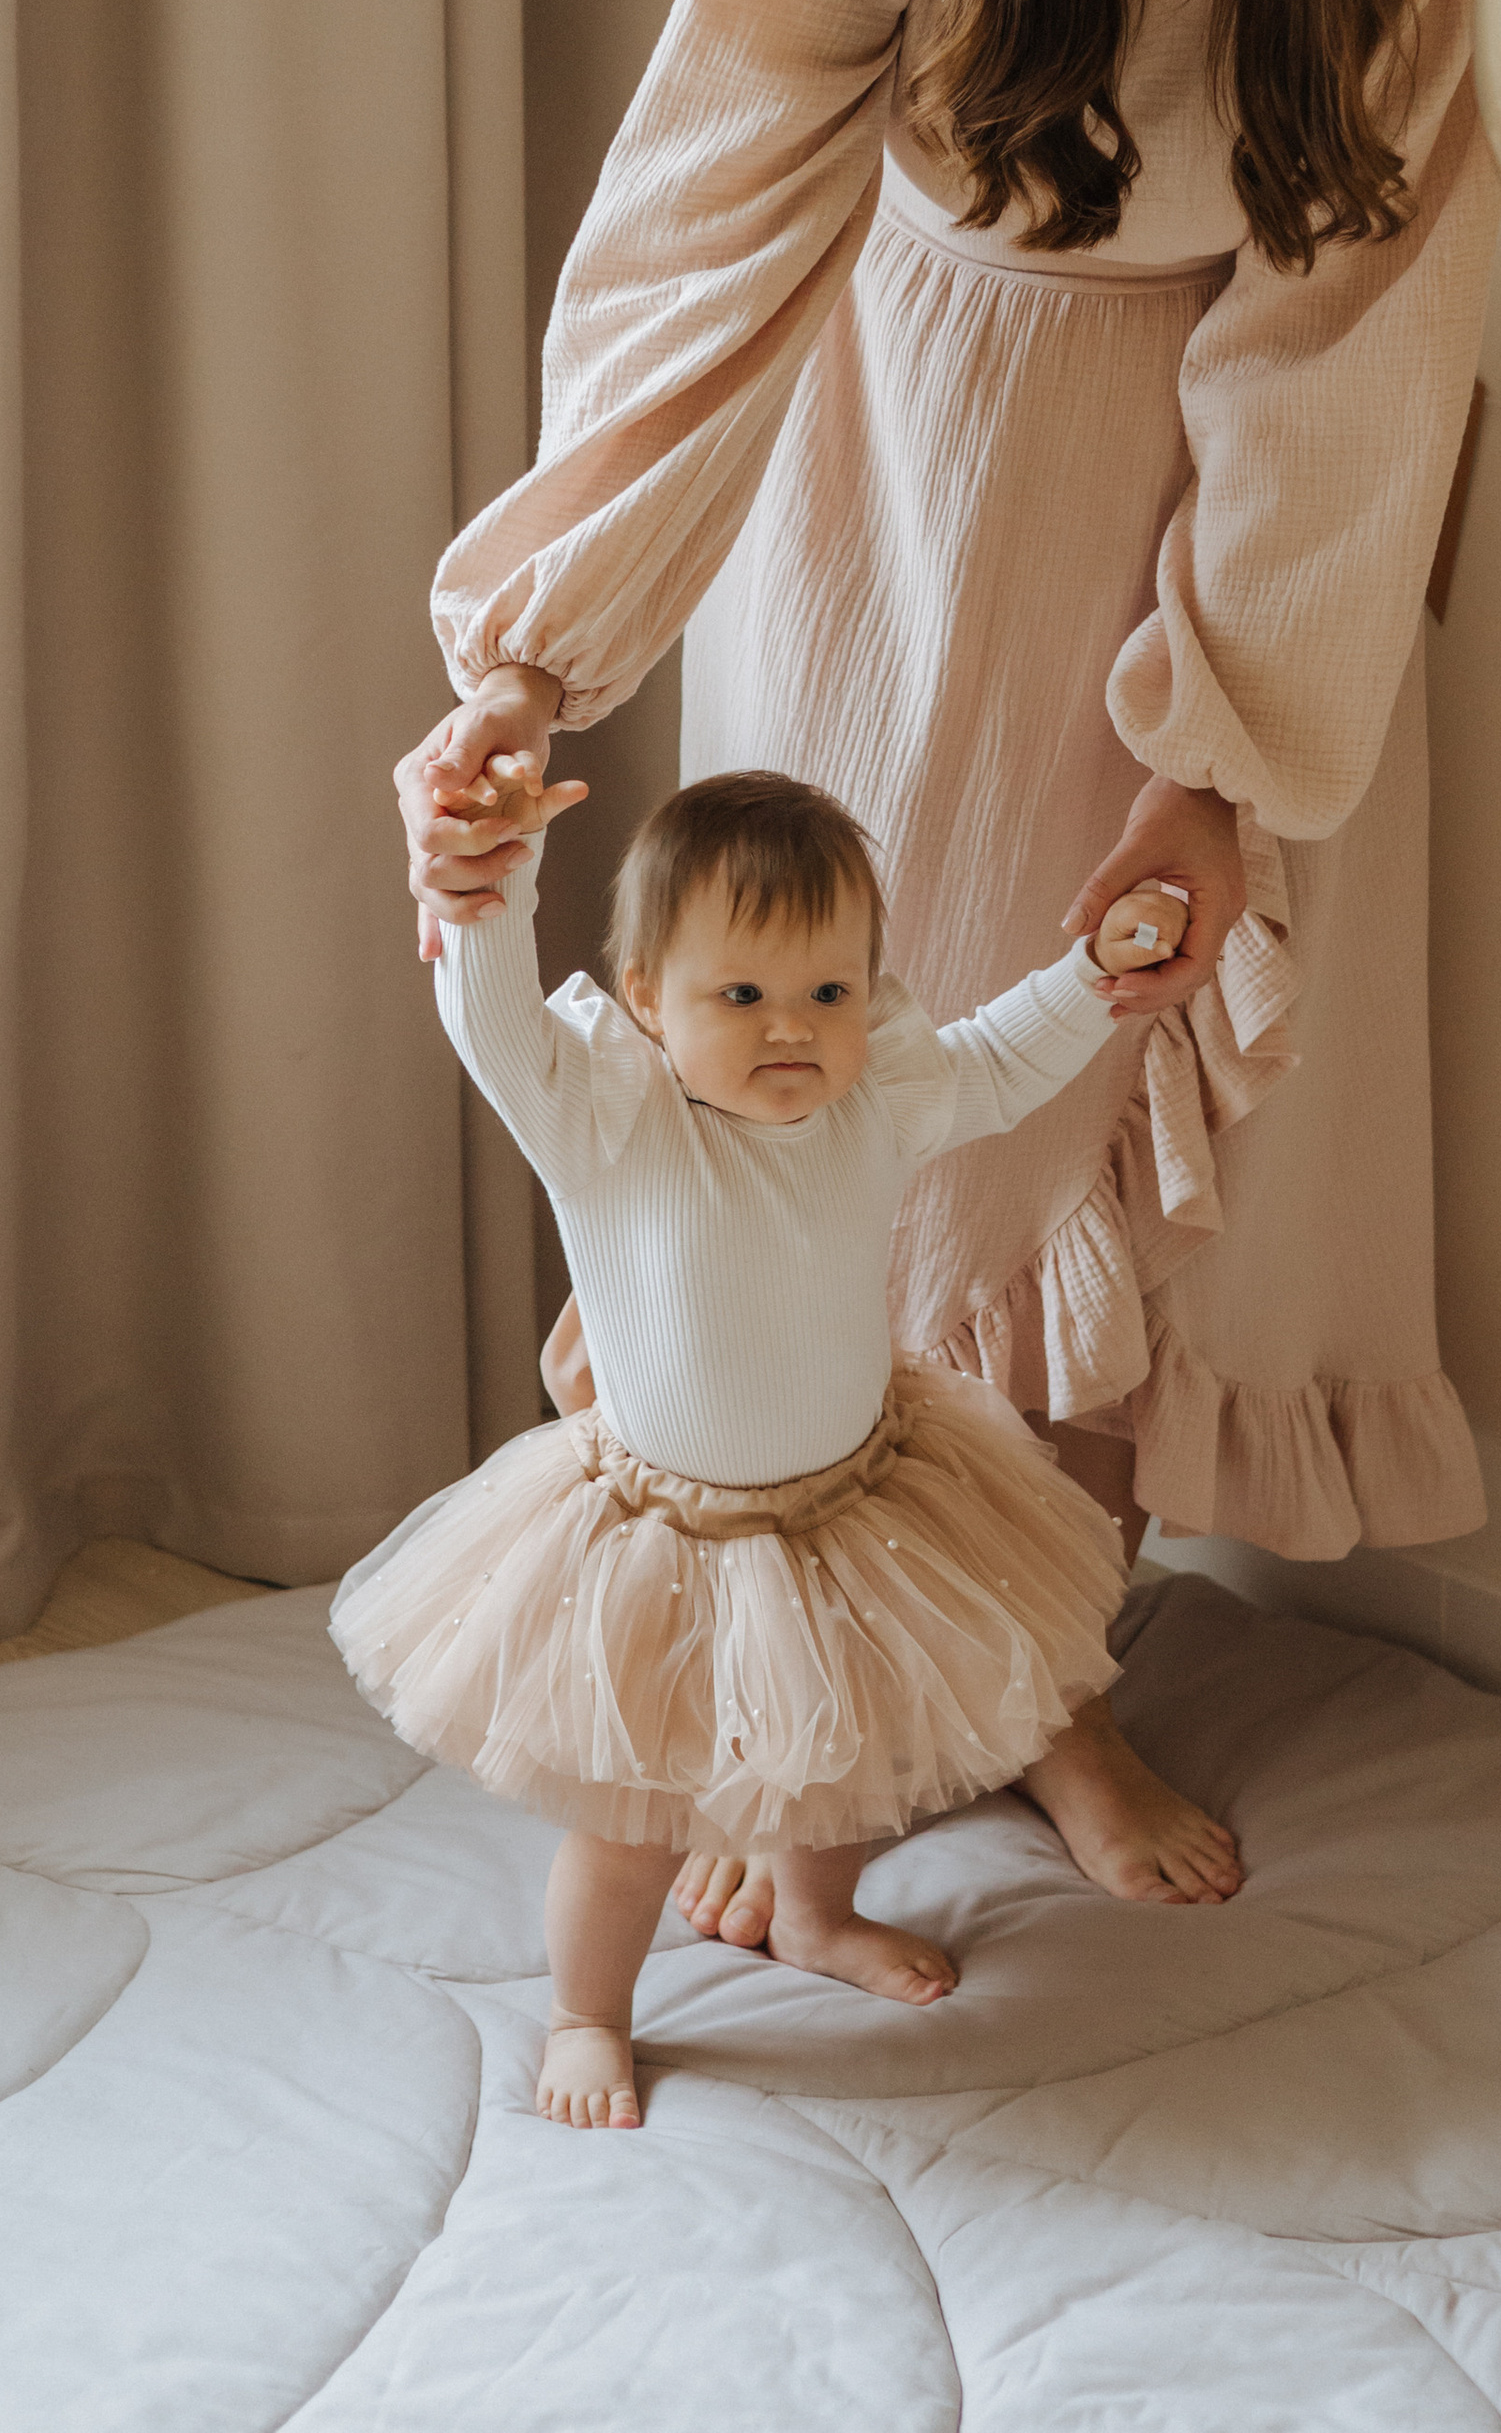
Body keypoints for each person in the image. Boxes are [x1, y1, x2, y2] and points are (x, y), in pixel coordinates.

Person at [397, 0, 1501, 1941]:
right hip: (903, 453)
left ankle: (1047, 1689)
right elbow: (699, 240)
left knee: (1116, 1102)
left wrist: (1214, 742)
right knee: (848, 1089)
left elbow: (1350, 337)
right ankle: (806, 1704)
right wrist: (533, 655)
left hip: (1257, 518)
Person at [334, 767, 1149, 2129]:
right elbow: (492, 1030)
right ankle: (590, 2009)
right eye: (743, 997)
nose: (794, 1031)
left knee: (845, 1762)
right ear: (649, 998)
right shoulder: (609, 1121)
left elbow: (1002, 1060)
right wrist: (495, 880)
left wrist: (1094, 972)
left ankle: (815, 1919)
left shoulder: (876, 1099)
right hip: (667, 1534)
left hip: (858, 1501)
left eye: (829, 994)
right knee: (632, 1818)